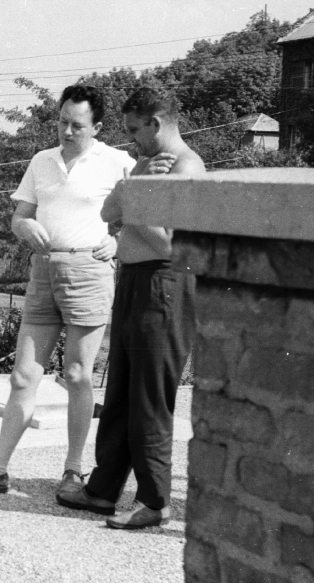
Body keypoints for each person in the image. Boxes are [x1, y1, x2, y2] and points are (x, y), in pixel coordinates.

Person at [0, 85, 135, 497]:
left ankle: (73, 471)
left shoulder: (118, 162)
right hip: (44, 271)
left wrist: (119, 242)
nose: (67, 131)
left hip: (89, 272)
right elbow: (19, 217)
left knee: (78, 375)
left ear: (97, 127)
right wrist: (25, 225)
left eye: (77, 125)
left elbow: (148, 214)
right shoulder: (41, 161)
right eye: (62, 122)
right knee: (23, 376)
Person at [56, 86, 205, 529]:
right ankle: (103, 490)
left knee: (149, 398)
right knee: (120, 392)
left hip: (166, 284)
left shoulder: (186, 167)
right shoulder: (145, 164)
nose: (132, 139)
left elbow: (174, 246)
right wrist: (130, 185)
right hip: (135, 280)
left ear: (156, 124)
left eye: (136, 130)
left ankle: (155, 501)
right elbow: (107, 213)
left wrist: (133, 199)